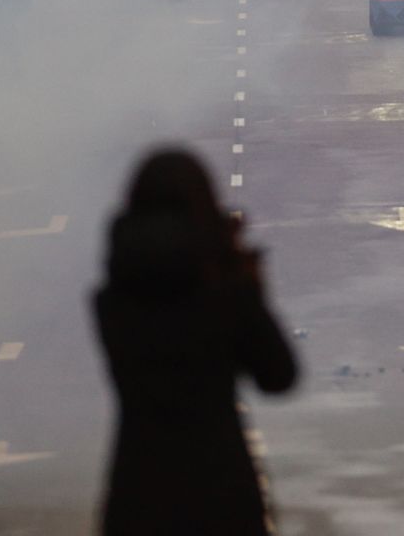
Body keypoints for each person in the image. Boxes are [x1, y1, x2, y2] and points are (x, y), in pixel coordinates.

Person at [94, 148, 298, 536]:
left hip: (137, 493)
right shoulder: (226, 294)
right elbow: (279, 376)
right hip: (220, 491)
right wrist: (246, 281)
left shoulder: (111, 303)